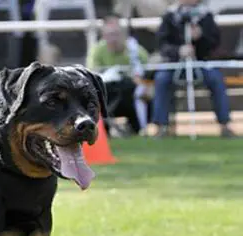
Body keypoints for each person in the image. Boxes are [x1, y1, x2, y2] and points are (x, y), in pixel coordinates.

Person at [152, 0, 236, 138]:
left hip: (200, 63)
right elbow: (161, 44)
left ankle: (225, 124)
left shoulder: (206, 16)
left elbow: (215, 44)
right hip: (175, 64)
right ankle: (162, 126)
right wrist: (178, 50)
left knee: (216, 79)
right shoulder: (170, 16)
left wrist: (201, 36)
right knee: (162, 79)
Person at [87, 13, 151, 136]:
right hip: (107, 92)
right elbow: (92, 72)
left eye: (116, 34)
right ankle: (105, 131)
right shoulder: (97, 50)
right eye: (110, 35)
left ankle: (137, 128)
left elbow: (147, 68)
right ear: (104, 36)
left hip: (131, 92)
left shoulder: (134, 49)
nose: (114, 38)